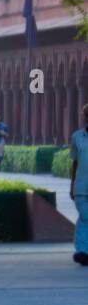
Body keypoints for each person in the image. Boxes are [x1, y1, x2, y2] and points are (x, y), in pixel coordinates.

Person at [70, 104, 88, 266]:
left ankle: (83, 250)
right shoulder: (77, 137)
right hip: (82, 186)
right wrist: (71, 185)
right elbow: (75, 163)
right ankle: (82, 251)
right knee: (85, 217)